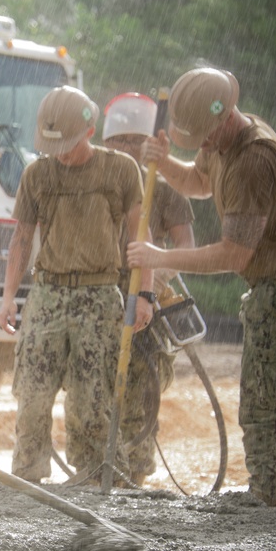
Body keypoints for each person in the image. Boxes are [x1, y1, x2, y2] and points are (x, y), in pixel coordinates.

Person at [128, 67, 276, 511]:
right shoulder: (221, 142)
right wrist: (165, 162)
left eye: (205, 136)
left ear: (225, 114)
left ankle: (271, 496)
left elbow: (232, 255)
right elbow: (201, 181)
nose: (202, 145)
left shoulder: (253, 160)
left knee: (271, 398)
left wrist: (159, 256)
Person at [0, 85, 154, 486]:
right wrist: (8, 298)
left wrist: (145, 295)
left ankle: (99, 476)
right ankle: (28, 476)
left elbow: (140, 238)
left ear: (89, 129)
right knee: (31, 394)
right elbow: (21, 239)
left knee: (91, 401)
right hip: (47, 294)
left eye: (67, 144)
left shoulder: (120, 170)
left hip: (99, 296)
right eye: (54, 146)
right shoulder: (38, 174)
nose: (61, 154)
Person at [102, 92, 197, 487]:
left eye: (132, 141)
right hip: (103, 296)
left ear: (147, 143)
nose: (124, 149)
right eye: (116, 142)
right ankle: (100, 471)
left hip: (145, 304)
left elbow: (186, 247)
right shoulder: (99, 177)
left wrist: (152, 285)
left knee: (140, 394)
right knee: (98, 391)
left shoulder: (165, 184)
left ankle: (134, 479)